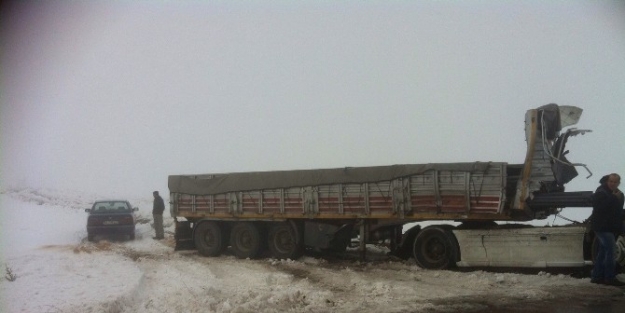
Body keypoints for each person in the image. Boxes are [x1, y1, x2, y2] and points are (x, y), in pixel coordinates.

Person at [590, 173, 625, 286]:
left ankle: (596, 276)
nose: (613, 184)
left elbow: (617, 211)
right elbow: (600, 207)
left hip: (609, 227)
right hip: (602, 227)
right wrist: (614, 198)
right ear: (607, 181)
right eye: (611, 181)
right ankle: (609, 278)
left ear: (618, 183)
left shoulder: (618, 194)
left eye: (615, 182)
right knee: (611, 251)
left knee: (602, 252)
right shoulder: (601, 192)